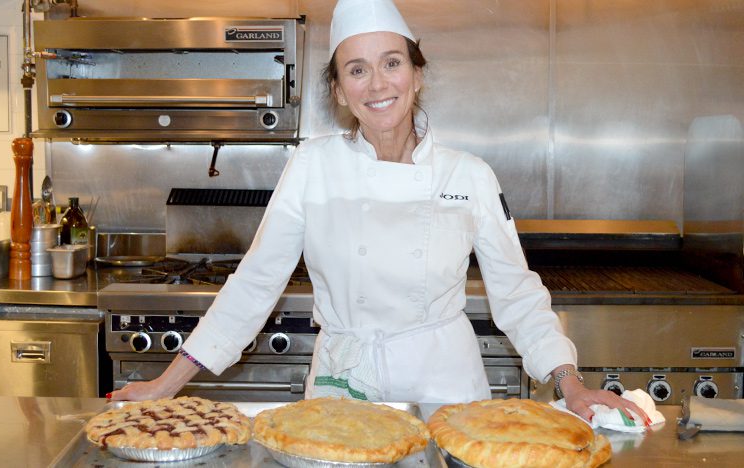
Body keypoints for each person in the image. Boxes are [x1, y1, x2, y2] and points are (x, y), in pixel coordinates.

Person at [111, 0, 649, 424]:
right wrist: (166, 385)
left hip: (448, 394)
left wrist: (570, 384)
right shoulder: (312, 167)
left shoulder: (470, 176)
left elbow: (517, 294)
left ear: (417, 75)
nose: (377, 84)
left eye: (392, 64)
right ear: (340, 92)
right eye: (357, 70)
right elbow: (254, 284)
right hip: (345, 387)